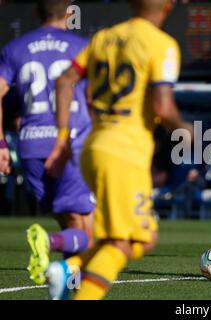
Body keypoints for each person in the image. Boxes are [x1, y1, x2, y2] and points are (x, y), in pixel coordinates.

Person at [44, 0, 193, 299]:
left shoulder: (103, 37)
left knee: (144, 238)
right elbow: (162, 106)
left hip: (93, 146)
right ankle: (74, 279)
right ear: (167, 8)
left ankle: (70, 266)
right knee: (122, 243)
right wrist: (187, 130)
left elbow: (65, 79)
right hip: (124, 152)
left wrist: (62, 140)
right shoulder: (162, 44)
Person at [0, 0, 95, 285]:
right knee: (87, 229)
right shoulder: (82, 47)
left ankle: (70, 283)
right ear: (70, 14)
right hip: (69, 146)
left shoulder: (15, 48)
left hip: (31, 147)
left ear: (36, 12)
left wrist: (2, 144)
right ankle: (48, 242)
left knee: (71, 221)